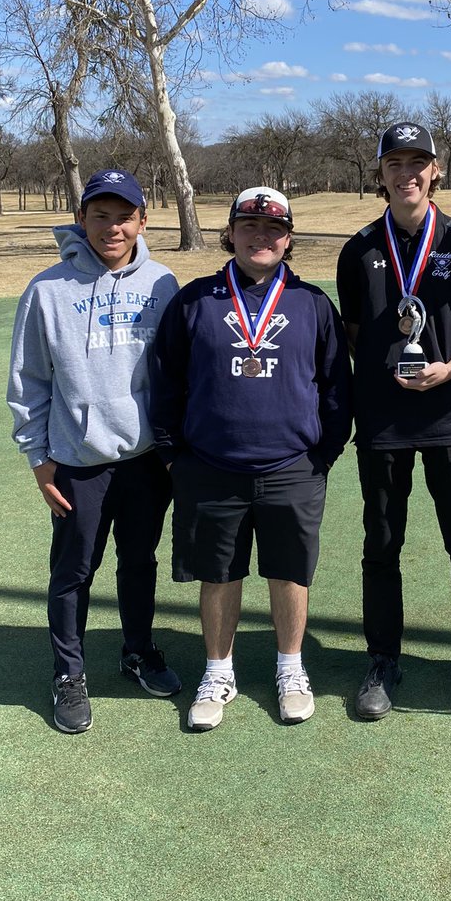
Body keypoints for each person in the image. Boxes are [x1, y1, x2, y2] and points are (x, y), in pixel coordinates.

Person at [150, 187, 351, 730]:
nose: (261, 237)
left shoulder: (311, 304)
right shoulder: (196, 300)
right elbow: (164, 382)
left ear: (288, 238)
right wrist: (174, 457)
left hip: (292, 467)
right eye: (249, 226)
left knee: (290, 573)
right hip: (211, 467)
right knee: (219, 574)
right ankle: (218, 671)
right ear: (230, 233)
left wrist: (321, 456)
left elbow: (336, 388)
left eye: (273, 229)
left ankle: (291, 667)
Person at [336, 121, 451, 722]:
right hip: (382, 421)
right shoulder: (359, 249)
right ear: (379, 175)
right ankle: (382, 660)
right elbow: (354, 329)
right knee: (381, 544)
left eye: (418, 163)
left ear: (436, 171)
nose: (408, 174)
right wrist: (386, 371)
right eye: (395, 164)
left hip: (448, 415)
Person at [8, 169, 182, 735]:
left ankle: (137, 652)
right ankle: (69, 673)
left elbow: (176, 374)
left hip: (144, 459)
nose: (112, 227)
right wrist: (39, 459)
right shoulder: (47, 289)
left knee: (140, 563)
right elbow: (29, 381)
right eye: (100, 215)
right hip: (77, 463)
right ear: (81, 219)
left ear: (142, 219)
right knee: (74, 571)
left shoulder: (162, 283)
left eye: (123, 215)